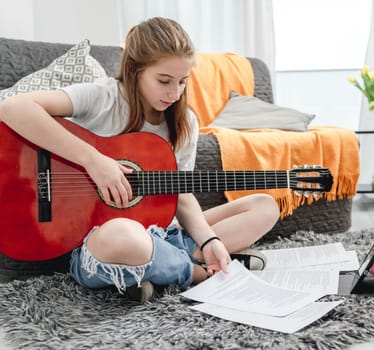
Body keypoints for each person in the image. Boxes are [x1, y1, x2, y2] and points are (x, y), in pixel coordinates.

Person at [0, 17, 280, 303]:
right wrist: (94, 161)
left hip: (164, 234)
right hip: (99, 243)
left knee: (265, 206)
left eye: (183, 81)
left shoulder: (185, 123)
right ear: (135, 71)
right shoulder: (103, 97)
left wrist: (210, 240)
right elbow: (12, 108)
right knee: (124, 236)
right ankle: (195, 273)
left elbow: (180, 193)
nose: (174, 93)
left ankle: (152, 270)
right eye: (164, 81)